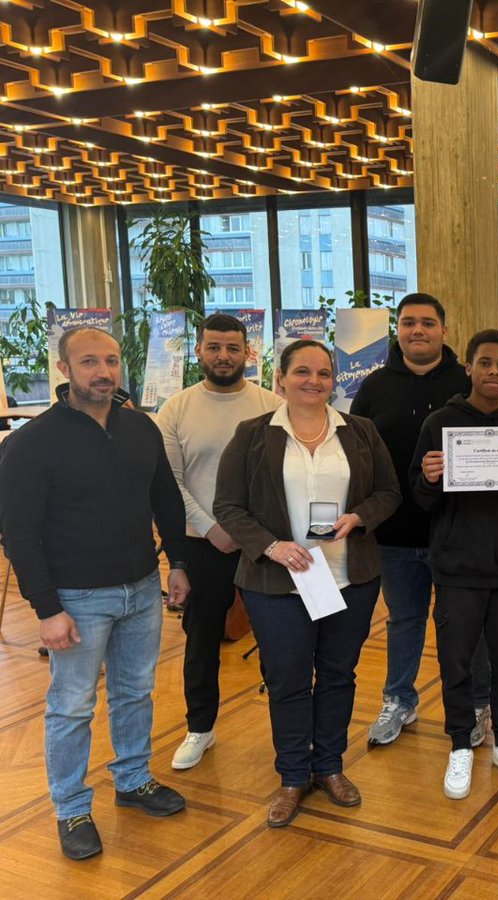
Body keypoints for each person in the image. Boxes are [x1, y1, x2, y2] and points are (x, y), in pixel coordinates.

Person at [0, 327, 191, 860]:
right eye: (88, 362)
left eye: (110, 360)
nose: (102, 372)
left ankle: (132, 781)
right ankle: (72, 808)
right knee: (72, 706)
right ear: (64, 369)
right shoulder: (31, 443)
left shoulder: (139, 428)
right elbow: (17, 533)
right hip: (76, 598)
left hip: (141, 589)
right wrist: (47, 609)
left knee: (135, 692)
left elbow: (166, 500)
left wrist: (178, 562)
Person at [213, 339, 400, 828]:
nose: (313, 381)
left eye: (323, 373)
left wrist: (360, 515)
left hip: (348, 577)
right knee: (288, 680)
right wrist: (271, 546)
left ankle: (330, 766)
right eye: (302, 372)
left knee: (339, 674)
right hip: (277, 583)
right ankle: (294, 775)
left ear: (334, 380)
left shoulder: (360, 431)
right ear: (281, 379)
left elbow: (389, 492)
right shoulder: (253, 435)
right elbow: (228, 507)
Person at [411, 329, 498, 799]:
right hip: (456, 567)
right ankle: (459, 745)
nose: (494, 372)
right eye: (485, 363)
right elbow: (420, 495)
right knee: (455, 662)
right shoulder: (440, 422)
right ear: (469, 367)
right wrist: (431, 478)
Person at [349, 293, 491, 748]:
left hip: (458, 533)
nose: (418, 331)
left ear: (444, 331)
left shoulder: (465, 383)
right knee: (404, 620)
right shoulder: (372, 388)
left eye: (428, 323)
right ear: (398, 331)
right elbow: (359, 458)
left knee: (468, 625)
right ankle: (399, 700)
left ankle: (475, 705)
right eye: (408, 323)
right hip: (394, 534)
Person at [157, 313, 282, 770]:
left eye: (233, 348)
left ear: (247, 352)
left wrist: (248, 533)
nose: (223, 356)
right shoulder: (176, 409)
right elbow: (169, 484)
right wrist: (212, 527)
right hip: (202, 543)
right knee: (202, 639)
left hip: (263, 545)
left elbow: (279, 480)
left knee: (278, 638)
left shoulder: (271, 404)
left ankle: (286, 733)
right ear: (199, 350)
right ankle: (200, 729)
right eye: (214, 347)